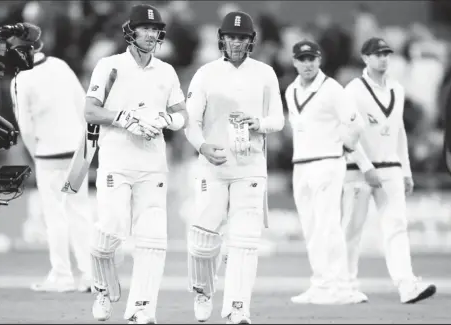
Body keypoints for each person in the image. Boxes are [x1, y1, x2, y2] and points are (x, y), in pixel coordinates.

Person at [83, 4, 188, 324]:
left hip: (153, 163)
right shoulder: (109, 65)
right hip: (116, 158)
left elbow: (183, 115)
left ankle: (141, 308)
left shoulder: (166, 71)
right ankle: (101, 284)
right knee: (113, 225)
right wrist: (122, 118)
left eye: (155, 30)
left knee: (154, 239)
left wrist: (166, 119)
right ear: (131, 31)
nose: (151, 34)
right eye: (145, 28)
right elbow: (90, 112)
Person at [184, 11, 284, 324]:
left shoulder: (265, 73)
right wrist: (202, 146)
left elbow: (278, 120)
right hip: (212, 167)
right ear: (222, 38)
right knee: (203, 239)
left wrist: (260, 123)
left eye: (242, 37)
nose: (236, 42)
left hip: (251, 166)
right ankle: (202, 292)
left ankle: (237, 309)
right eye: (231, 36)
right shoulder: (206, 73)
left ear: (251, 40)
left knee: (245, 241)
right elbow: (190, 122)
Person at [341, 37, 437, 304]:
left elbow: (399, 132)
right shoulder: (353, 90)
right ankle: (346, 284)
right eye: (377, 54)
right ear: (365, 58)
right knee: (352, 228)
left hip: (390, 168)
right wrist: (365, 165)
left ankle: (406, 285)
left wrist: (405, 169)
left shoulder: (397, 88)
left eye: (386, 53)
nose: (383, 58)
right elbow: (347, 135)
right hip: (358, 171)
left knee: (397, 227)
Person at [284, 40, 366, 305]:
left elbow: (356, 123)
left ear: (319, 60)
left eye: (312, 59)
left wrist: (344, 146)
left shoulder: (332, 89)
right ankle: (321, 283)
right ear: (294, 61)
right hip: (301, 164)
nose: (307, 64)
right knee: (310, 226)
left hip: (328, 162)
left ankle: (341, 286)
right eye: (302, 59)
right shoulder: (291, 90)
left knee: (327, 224)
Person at [9, 37, 93, 293]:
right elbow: (83, 104)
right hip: (77, 150)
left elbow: (25, 126)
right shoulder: (60, 65)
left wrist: (36, 154)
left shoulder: (20, 79)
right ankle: (91, 276)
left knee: (55, 216)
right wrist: (86, 144)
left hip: (49, 155)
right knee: (80, 213)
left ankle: (62, 276)